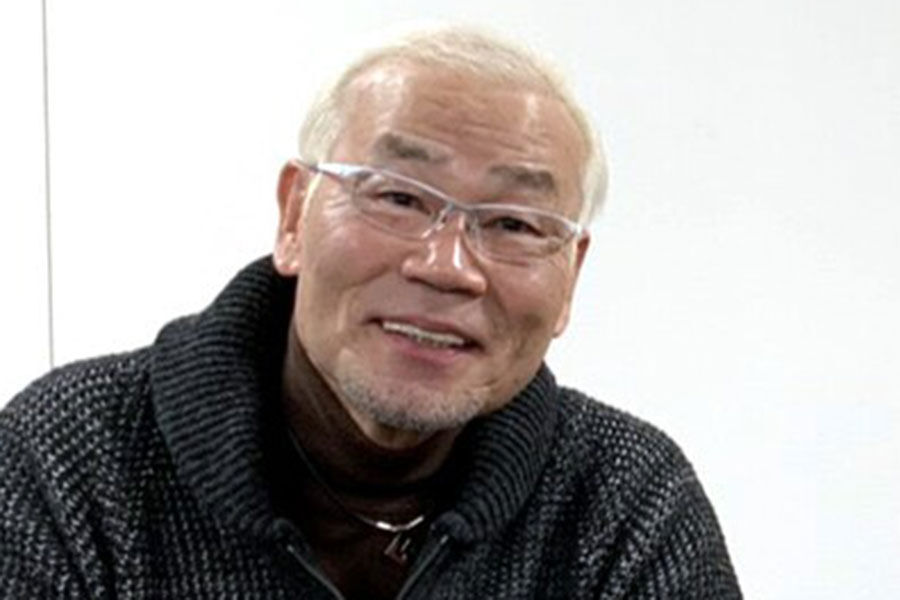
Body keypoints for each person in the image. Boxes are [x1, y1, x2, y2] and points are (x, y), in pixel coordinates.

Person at [0, 25, 741, 599]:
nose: (447, 266)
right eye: (398, 197)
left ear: (570, 276)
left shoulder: (624, 499)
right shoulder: (71, 457)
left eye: (514, 223)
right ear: (294, 215)